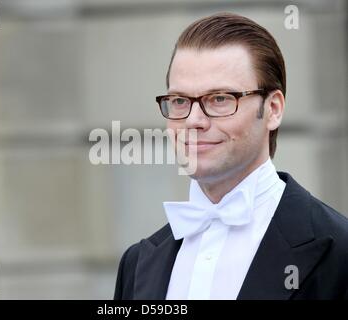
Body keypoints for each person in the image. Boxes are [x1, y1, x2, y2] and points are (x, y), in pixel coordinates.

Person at [114, 12, 348, 300]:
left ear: (272, 109)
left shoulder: (339, 251)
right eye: (179, 101)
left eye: (220, 99)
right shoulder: (137, 264)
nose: (193, 121)